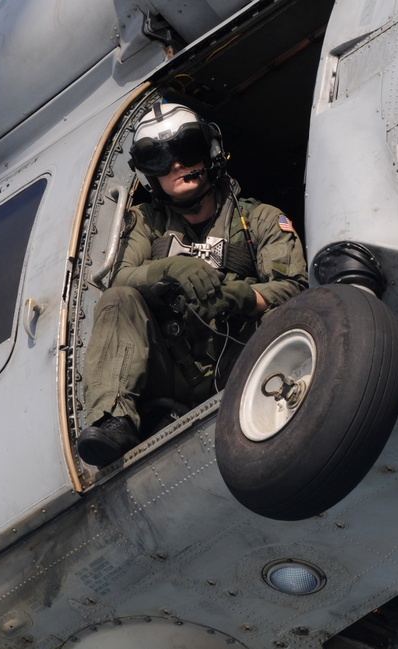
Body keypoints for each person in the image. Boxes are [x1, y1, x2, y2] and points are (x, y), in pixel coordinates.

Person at [77, 102, 308, 467]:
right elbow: (120, 277)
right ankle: (113, 418)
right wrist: (167, 270)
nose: (177, 165)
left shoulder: (258, 219)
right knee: (119, 299)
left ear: (209, 152)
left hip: (241, 356)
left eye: (186, 150)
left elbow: (295, 288)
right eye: (158, 160)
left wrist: (241, 297)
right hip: (170, 371)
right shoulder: (145, 223)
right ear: (150, 177)